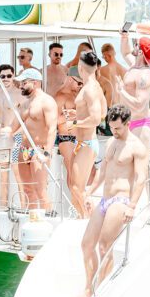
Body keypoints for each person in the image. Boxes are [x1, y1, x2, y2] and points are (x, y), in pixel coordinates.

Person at [81, 105, 148, 297]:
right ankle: (89, 286)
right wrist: (89, 192)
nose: (114, 131)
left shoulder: (137, 147)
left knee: (104, 246)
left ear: (127, 124)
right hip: (105, 199)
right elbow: (102, 172)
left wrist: (132, 206)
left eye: (118, 128)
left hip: (121, 200)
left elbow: (140, 178)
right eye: (111, 127)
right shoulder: (111, 141)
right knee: (86, 244)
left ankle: (101, 290)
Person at [67, 52, 104, 218]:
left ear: (80, 68)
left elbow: (96, 119)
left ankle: (88, 220)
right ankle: (81, 218)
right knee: (74, 186)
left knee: (76, 187)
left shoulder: (90, 89)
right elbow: (102, 112)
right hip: (84, 142)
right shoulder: (94, 86)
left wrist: (76, 123)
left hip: (87, 143)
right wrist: (77, 115)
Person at [15, 69, 58, 211]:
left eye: (24, 82)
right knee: (28, 190)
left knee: (40, 191)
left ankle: (49, 221)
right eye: (21, 82)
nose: (21, 85)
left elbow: (52, 129)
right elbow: (13, 126)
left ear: (35, 82)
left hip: (39, 150)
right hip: (23, 149)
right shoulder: (25, 103)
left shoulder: (47, 101)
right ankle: (31, 220)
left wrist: (47, 153)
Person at [118, 34, 150, 152]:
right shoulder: (134, 66)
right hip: (126, 122)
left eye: (135, 44)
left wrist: (121, 91)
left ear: (140, 52)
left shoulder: (144, 75)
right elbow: (125, 53)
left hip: (140, 124)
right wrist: (124, 37)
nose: (133, 47)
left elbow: (139, 105)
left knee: (141, 166)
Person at [0, 64, 23, 208]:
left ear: (13, 76)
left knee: (18, 174)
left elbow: (25, 118)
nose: (6, 79)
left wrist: (15, 132)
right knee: (2, 173)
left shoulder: (19, 94)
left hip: (16, 137)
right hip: (1, 138)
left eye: (9, 76)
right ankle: (3, 207)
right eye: (2, 76)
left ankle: (24, 207)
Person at [55, 70, 82, 187]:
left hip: (79, 138)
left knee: (80, 174)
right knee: (72, 173)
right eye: (79, 83)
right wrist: (70, 115)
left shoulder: (77, 95)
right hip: (66, 139)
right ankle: (75, 204)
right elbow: (54, 120)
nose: (81, 86)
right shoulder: (60, 96)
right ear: (71, 79)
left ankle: (77, 202)